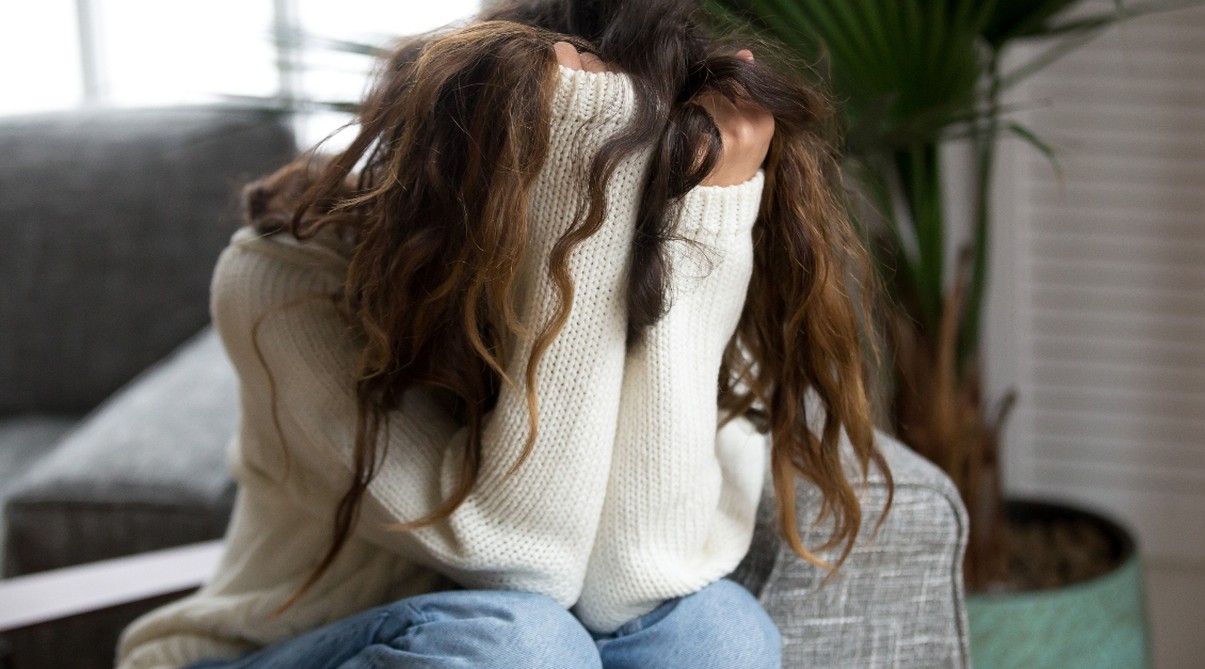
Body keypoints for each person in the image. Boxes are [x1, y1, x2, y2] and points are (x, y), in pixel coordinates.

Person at [116, 1, 889, 667]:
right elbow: (526, 564)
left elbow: (632, 588)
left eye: (630, 179)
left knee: (719, 631)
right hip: (263, 649)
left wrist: (702, 231)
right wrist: (577, 212)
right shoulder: (284, 280)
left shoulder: (679, 252)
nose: (606, 200)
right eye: (574, 169)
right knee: (519, 642)